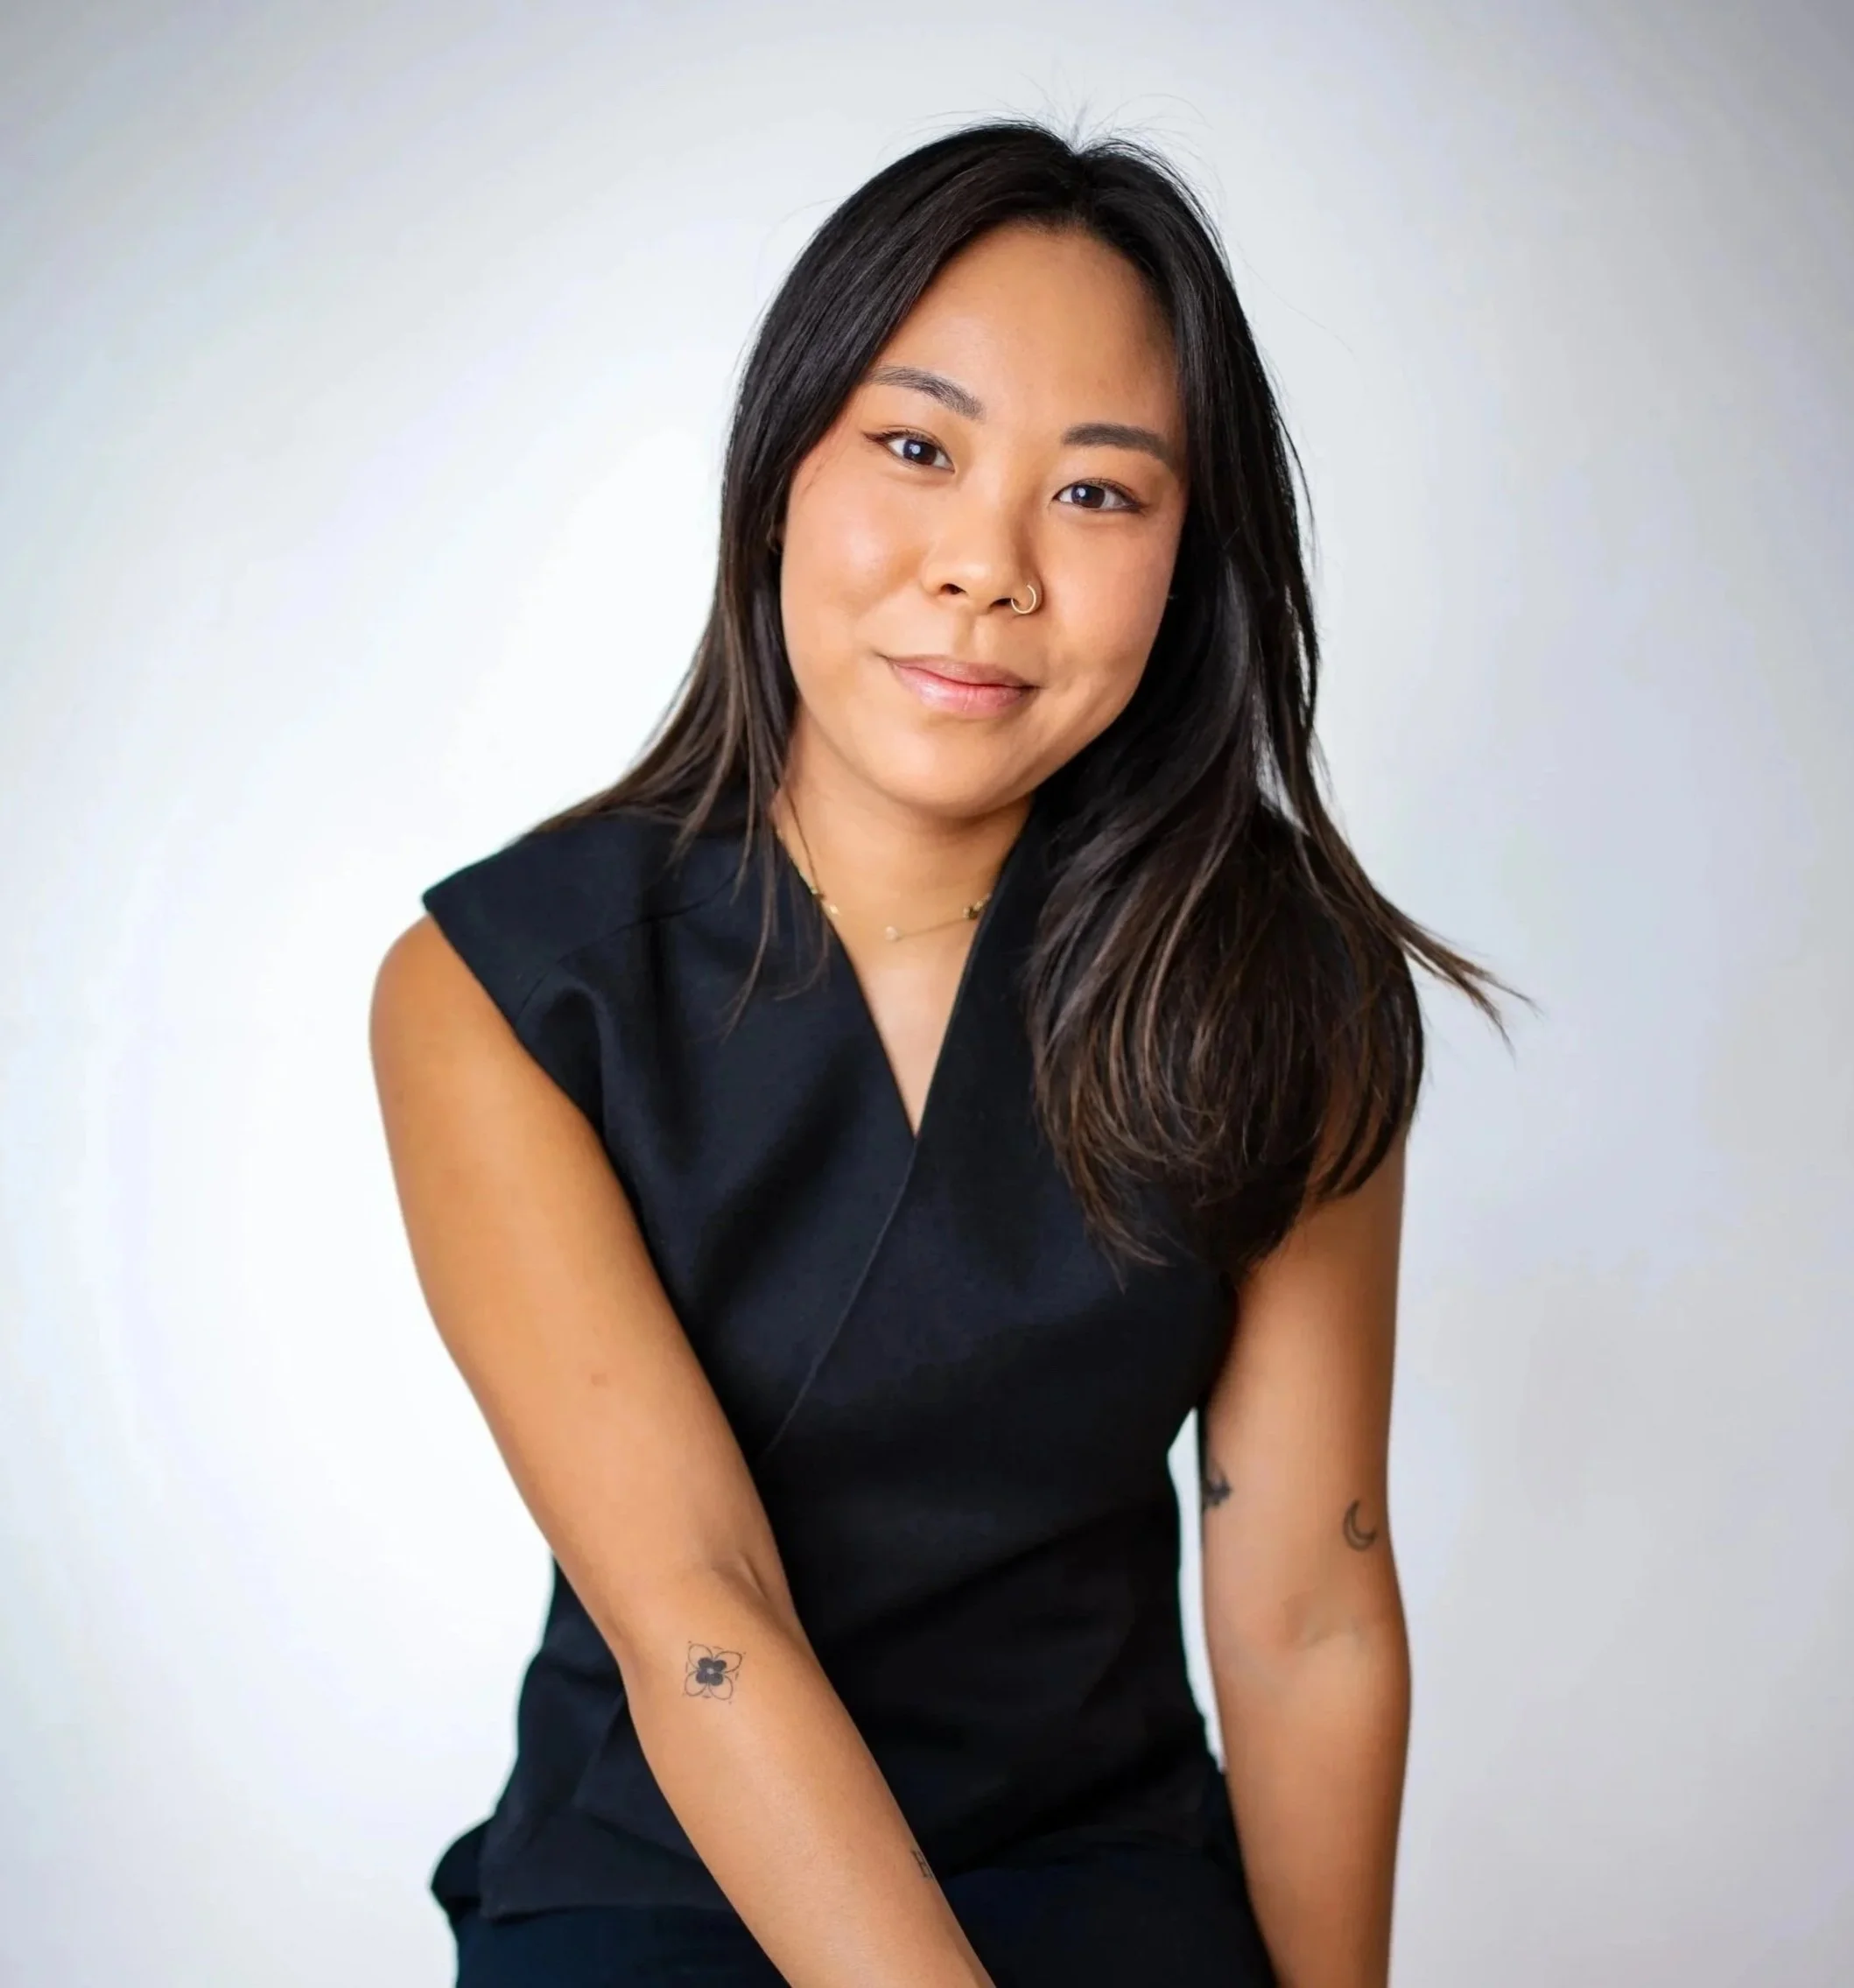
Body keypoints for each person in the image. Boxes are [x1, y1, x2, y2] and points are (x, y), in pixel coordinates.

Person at [371, 116, 1503, 1988]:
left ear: (1188, 557)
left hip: (1106, 1863)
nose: (986, 568)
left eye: (1099, 493)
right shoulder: (503, 988)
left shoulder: (1280, 988)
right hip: (667, 1874)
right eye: (917, 447)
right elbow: (698, 1618)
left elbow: (1307, 1600)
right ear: (780, 473)